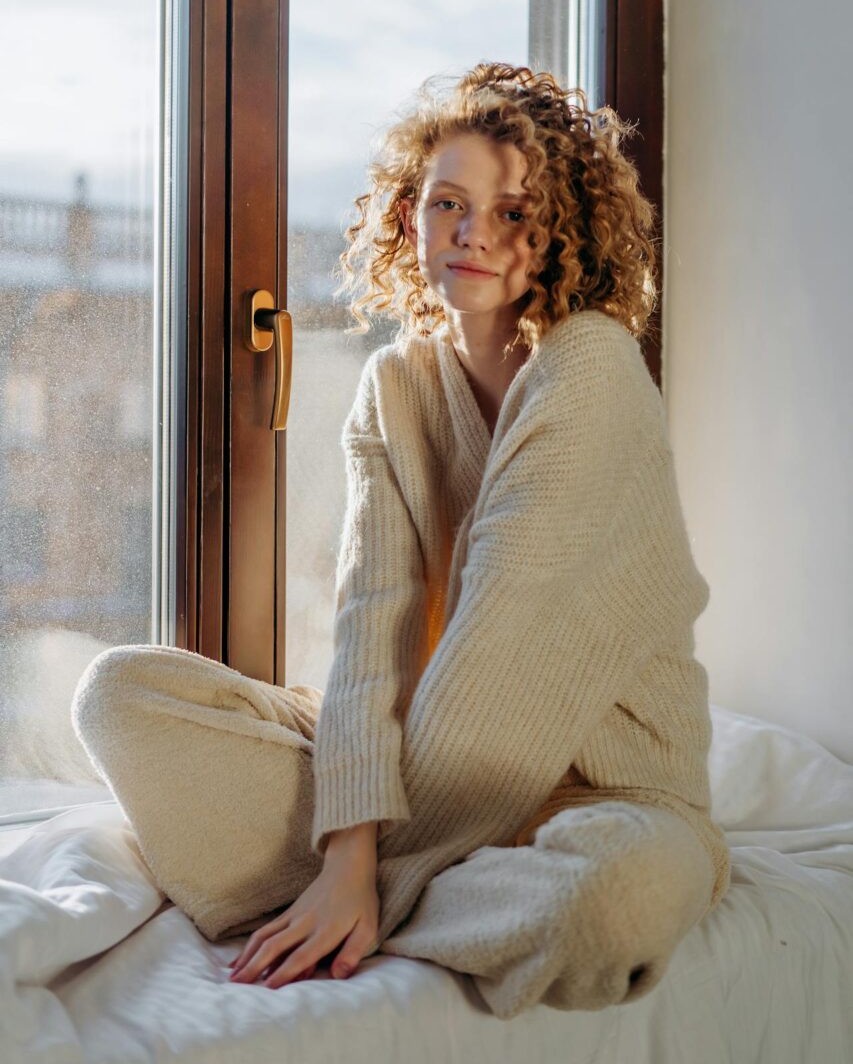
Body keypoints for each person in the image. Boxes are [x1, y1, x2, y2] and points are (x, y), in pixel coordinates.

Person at [71, 62, 730, 1020]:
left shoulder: (590, 368)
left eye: (513, 212)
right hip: (431, 770)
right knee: (121, 694)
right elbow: (368, 633)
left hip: (598, 799)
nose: (472, 234)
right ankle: (406, 888)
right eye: (447, 203)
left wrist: (366, 872)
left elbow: (495, 667)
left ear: (565, 233)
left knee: (611, 905)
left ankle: (368, 895)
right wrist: (346, 846)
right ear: (404, 216)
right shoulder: (396, 386)